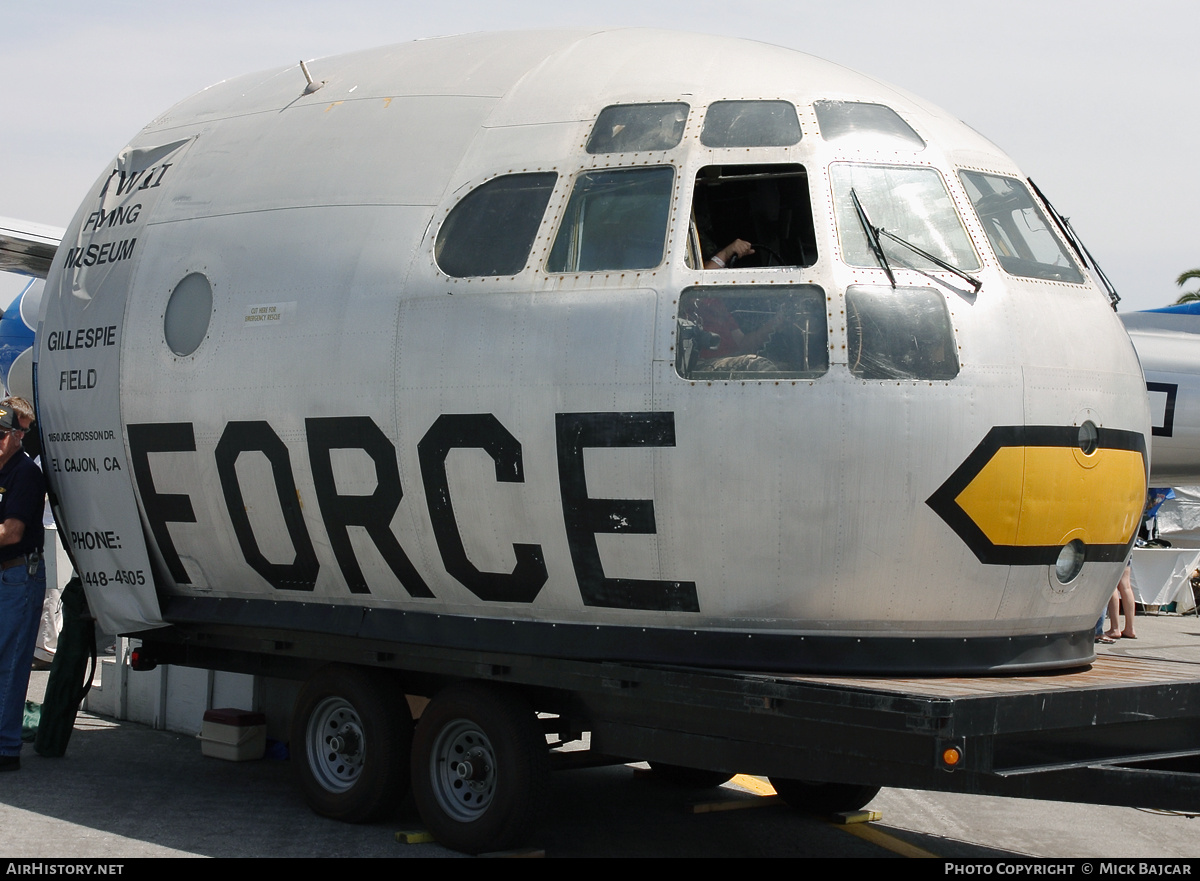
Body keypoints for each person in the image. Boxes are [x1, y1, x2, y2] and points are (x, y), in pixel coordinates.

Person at [0, 396, 47, 771]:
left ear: (18, 436)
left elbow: (11, 532)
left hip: (18, 575)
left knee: (11, 663)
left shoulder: (25, 474)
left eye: (4, 434)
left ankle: (6, 748)